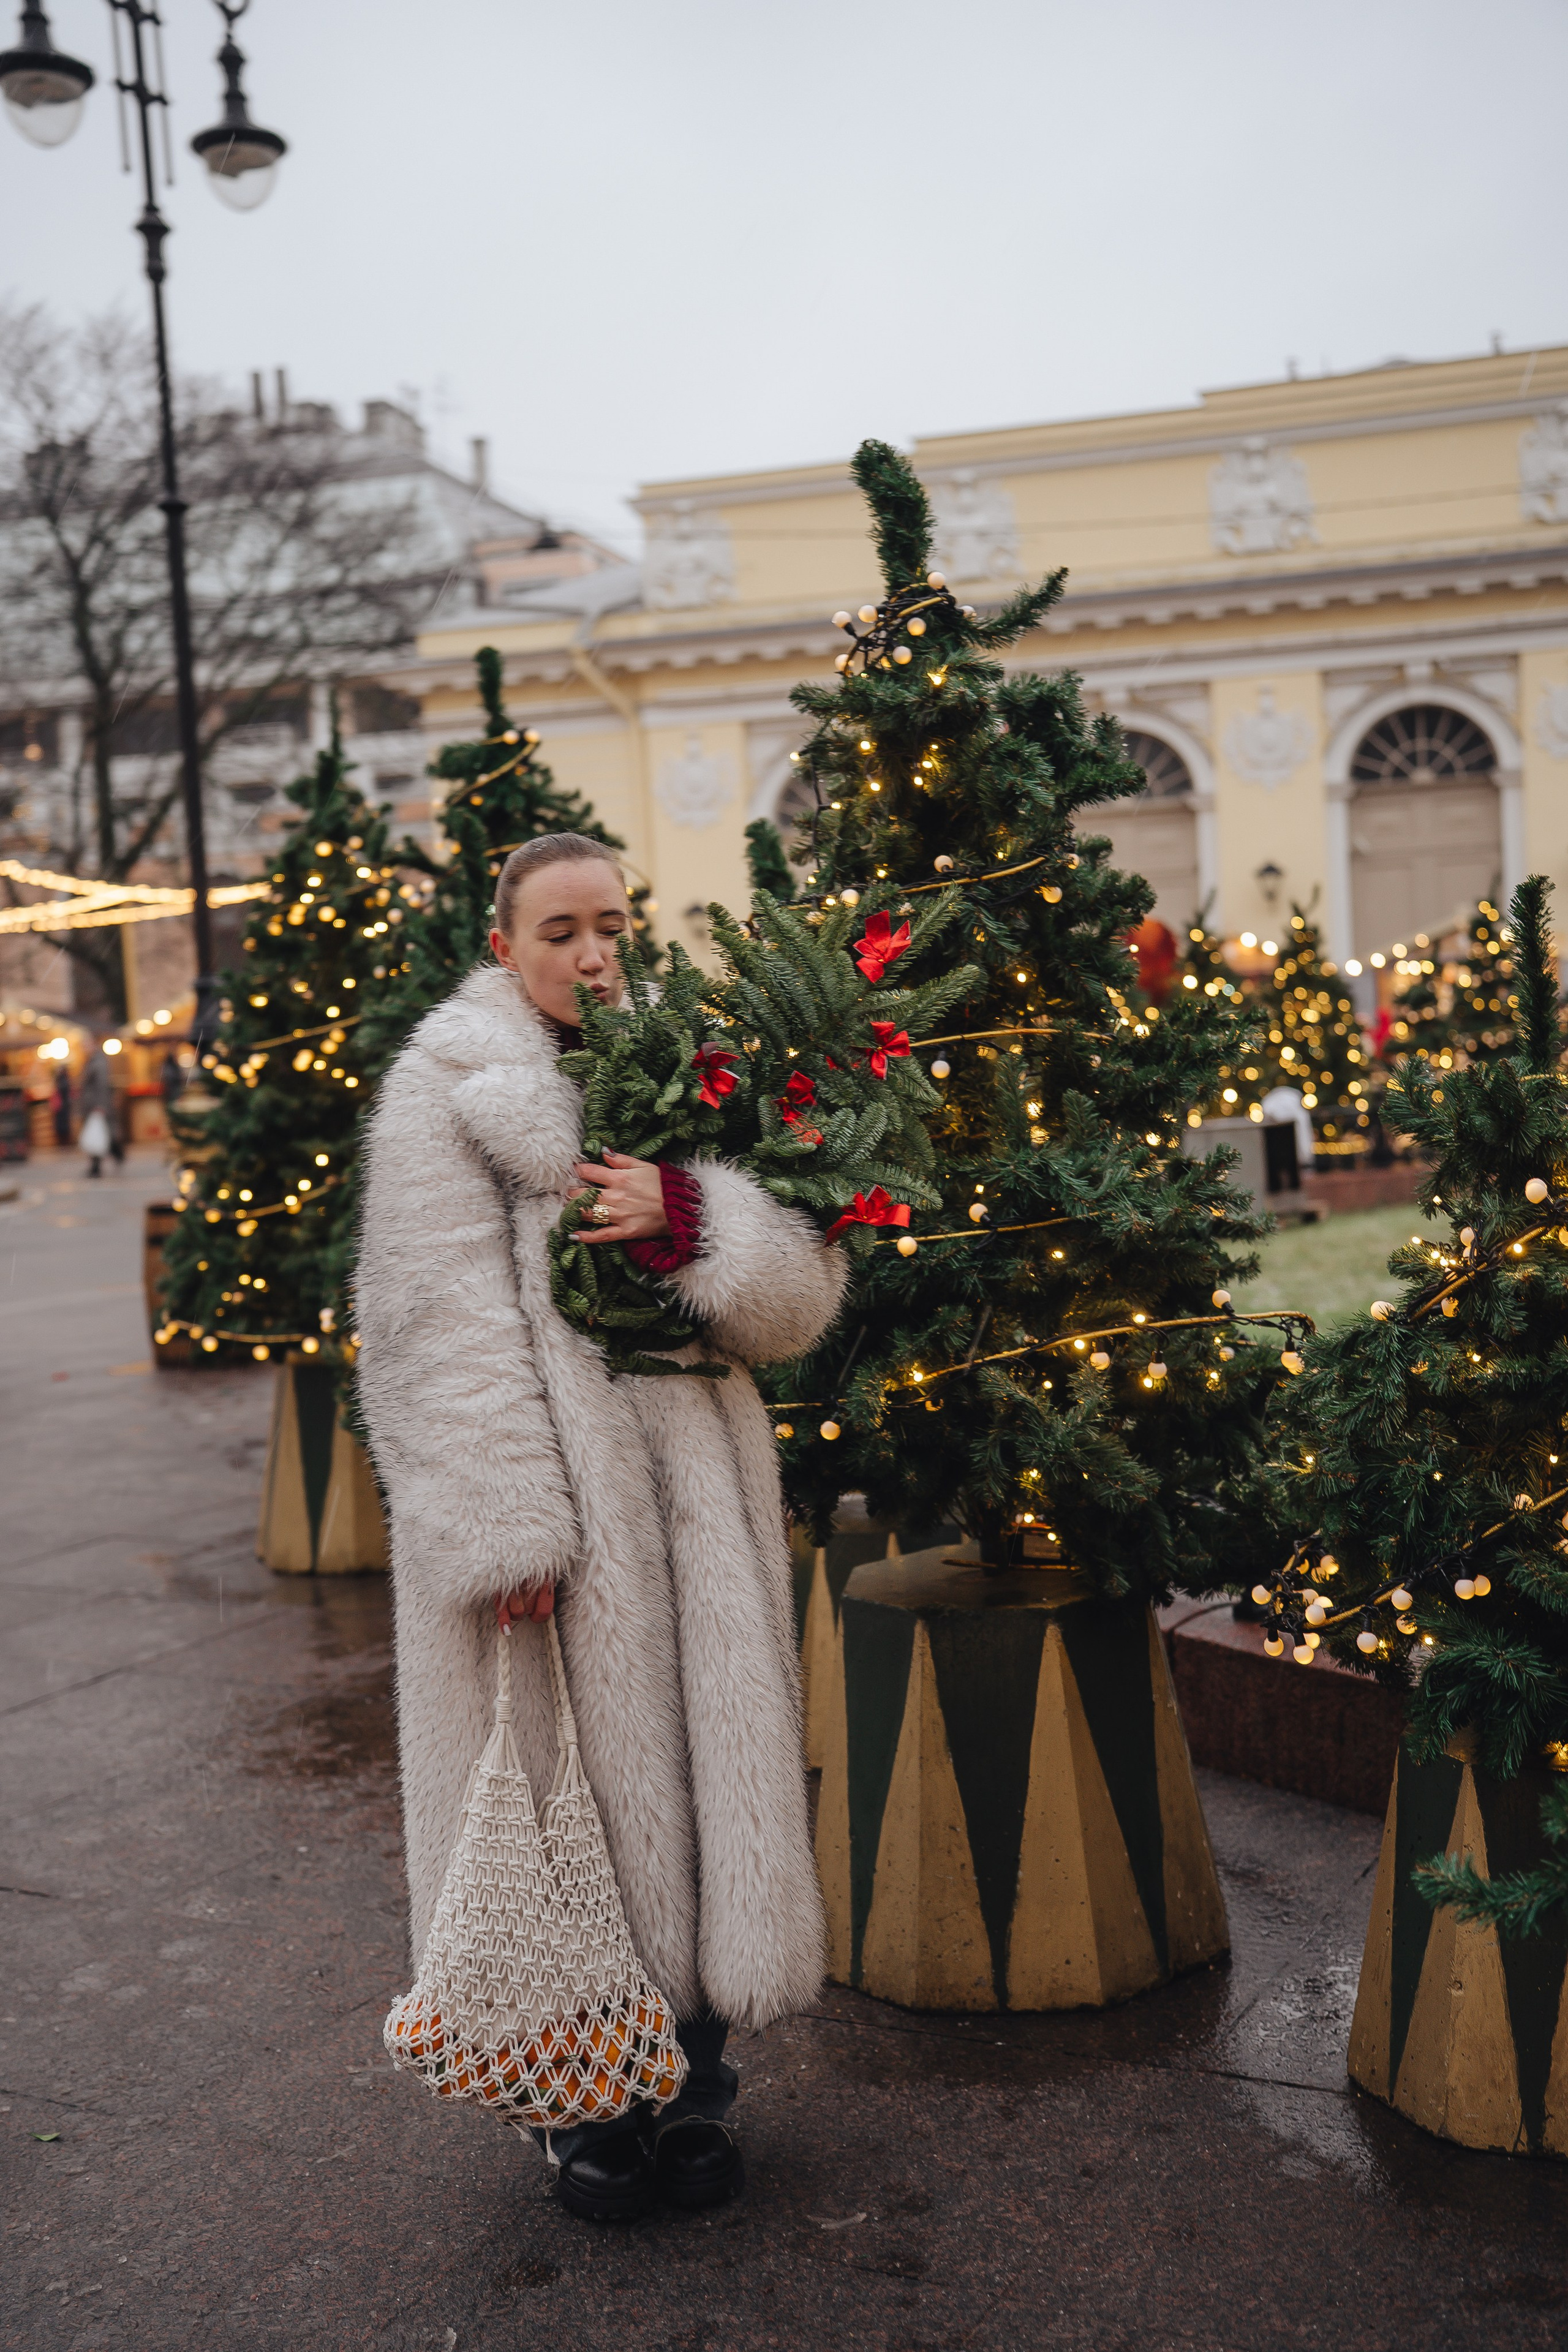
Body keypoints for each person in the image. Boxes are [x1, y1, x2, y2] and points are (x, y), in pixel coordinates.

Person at [355, 833, 845, 2224]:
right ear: (503, 939)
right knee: (579, 1822)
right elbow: (424, 1322)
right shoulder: (443, 1086)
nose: (590, 952)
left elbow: (797, 1302)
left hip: (698, 1511)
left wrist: (685, 1212)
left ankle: (694, 2089)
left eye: (610, 925)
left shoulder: (685, 1070)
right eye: (558, 928)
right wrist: (506, 1532)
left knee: (702, 1795)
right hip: (558, 1531)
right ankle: (579, 2111)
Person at [77, 1042, 121, 1177]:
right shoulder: (93, 1061)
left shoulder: (99, 1062)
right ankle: (117, 1154)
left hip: (96, 1105)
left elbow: (102, 1085)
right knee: (101, 1133)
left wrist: (101, 1105)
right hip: (93, 1105)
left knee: (97, 1135)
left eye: (86, 1045)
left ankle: (97, 1166)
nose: (84, 1048)